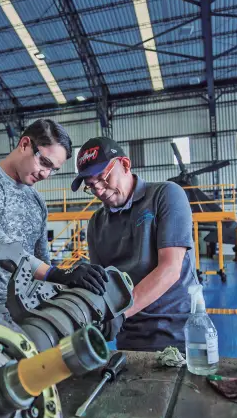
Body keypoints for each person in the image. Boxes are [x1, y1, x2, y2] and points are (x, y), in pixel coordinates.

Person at [0, 119, 109, 321]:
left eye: (53, 170)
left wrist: (65, 280)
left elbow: (42, 260)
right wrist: (57, 273)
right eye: (44, 162)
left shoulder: (37, 202)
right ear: (25, 144)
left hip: (24, 307)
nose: (46, 174)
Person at [71, 137, 197, 351]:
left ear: (126, 165)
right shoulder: (96, 223)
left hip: (177, 334)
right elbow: (104, 285)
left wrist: (120, 315)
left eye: (102, 178)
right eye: (91, 186)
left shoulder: (166, 195)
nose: (99, 191)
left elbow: (170, 269)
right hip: (128, 337)